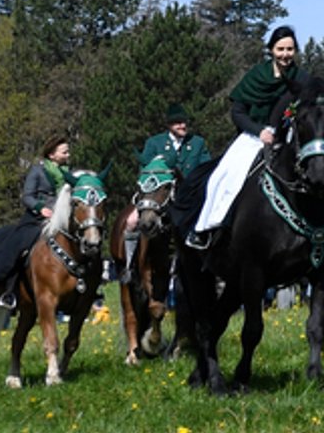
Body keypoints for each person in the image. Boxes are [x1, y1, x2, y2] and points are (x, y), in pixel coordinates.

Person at [189, 26, 300, 248]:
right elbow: (237, 112)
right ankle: (206, 228)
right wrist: (259, 131)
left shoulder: (302, 79)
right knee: (223, 175)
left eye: (290, 49)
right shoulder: (256, 76)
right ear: (271, 50)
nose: (285, 54)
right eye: (280, 49)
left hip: (288, 137)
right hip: (254, 136)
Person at [0, 135, 72, 310]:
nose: (68, 154)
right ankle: (9, 291)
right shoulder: (37, 171)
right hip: (37, 219)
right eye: (64, 152)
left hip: (62, 220)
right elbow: (27, 196)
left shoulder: (68, 173)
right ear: (52, 155)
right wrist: (41, 208)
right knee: (22, 247)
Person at [118, 104, 211, 281]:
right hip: (157, 197)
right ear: (169, 126)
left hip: (187, 199)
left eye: (184, 122)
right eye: (177, 123)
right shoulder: (154, 143)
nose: (182, 126)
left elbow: (205, 169)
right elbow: (144, 171)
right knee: (131, 222)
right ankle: (130, 266)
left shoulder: (197, 143)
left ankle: (210, 264)